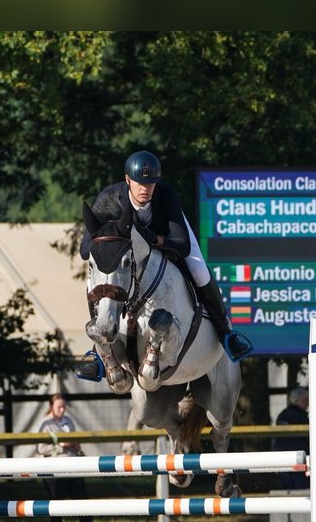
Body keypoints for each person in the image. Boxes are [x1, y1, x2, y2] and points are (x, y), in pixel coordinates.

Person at [76, 150, 253, 381]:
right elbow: (84, 249)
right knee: (94, 279)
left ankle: (225, 332)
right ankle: (98, 353)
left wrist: (156, 240)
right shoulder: (110, 198)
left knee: (199, 271)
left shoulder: (166, 196)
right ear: (128, 180)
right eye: (140, 183)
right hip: (123, 253)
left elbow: (182, 245)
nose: (145, 189)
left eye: (151, 183)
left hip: (166, 243)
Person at [36, 393, 97, 522]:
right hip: (55, 468)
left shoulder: (68, 421)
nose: (62, 410)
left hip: (73, 466)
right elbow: (41, 449)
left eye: (64, 407)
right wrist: (60, 446)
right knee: (57, 504)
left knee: (82, 502)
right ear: (51, 407)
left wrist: (75, 445)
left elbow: (75, 441)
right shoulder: (45, 424)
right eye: (59, 407)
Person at [273, 387, 310, 492]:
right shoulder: (301, 416)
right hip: (299, 457)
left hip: (282, 457)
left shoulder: (283, 414)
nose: (308, 402)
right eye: (306, 399)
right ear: (299, 400)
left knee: (287, 488)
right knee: (301, 490)